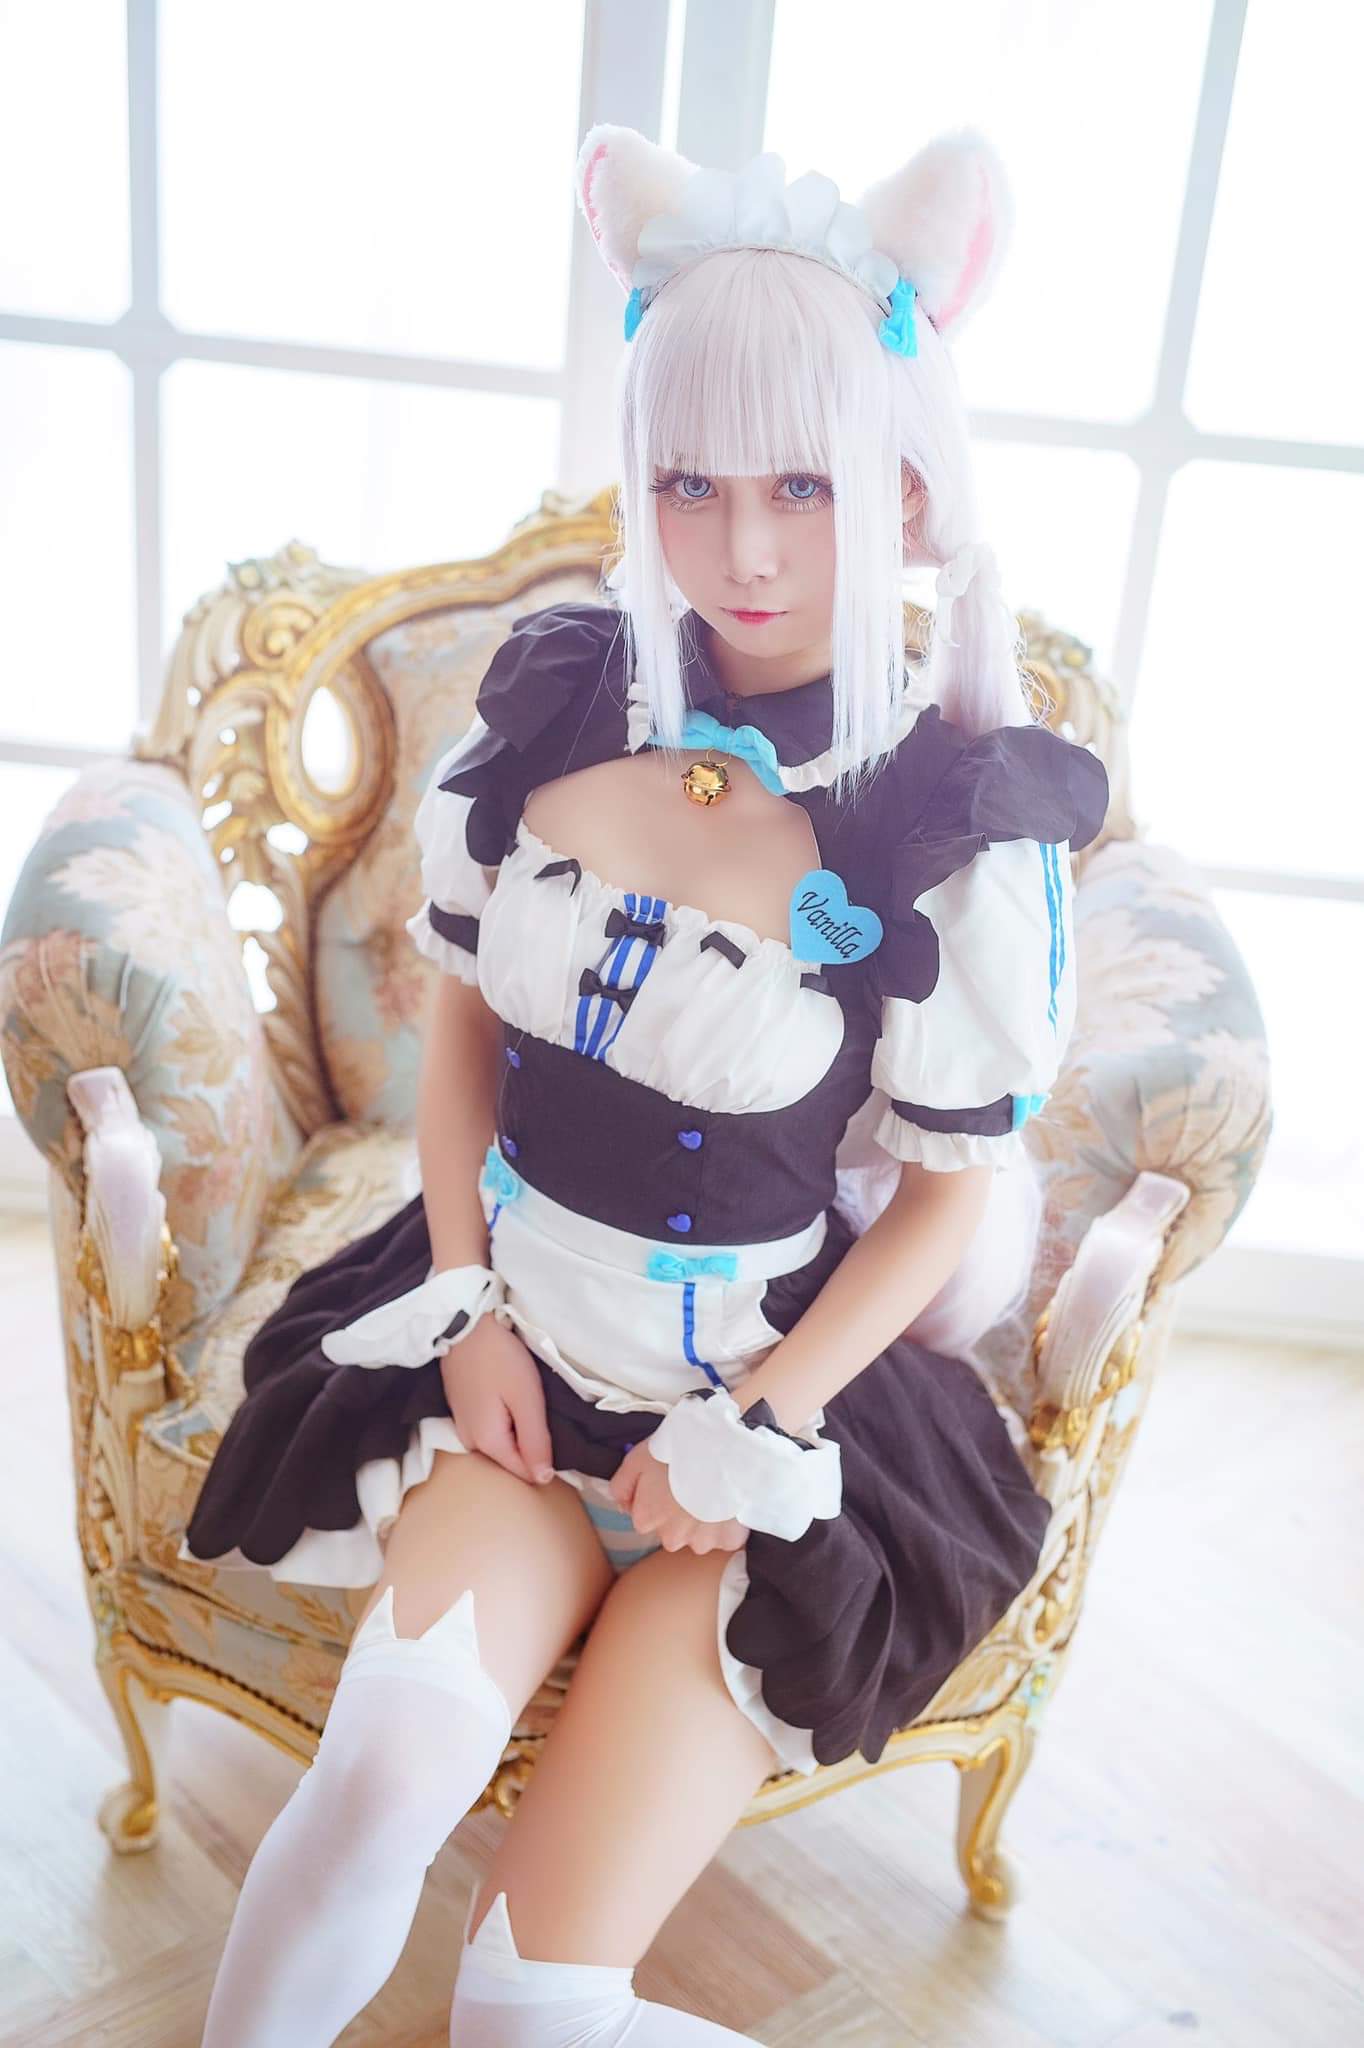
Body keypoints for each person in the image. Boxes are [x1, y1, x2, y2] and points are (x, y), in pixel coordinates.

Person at [184, 120, 1109, 2046]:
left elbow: (942, 1190)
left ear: (907, 488)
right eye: (690, 483)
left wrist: (755, 1422)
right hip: (514, 1356)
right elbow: (465, 1022)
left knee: (529, 2000)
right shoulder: (566, 694)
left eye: (804, 487)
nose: (743, 551)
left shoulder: (952, 808)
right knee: (369, 1789)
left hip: (767, 1426)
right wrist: (462, 1297)